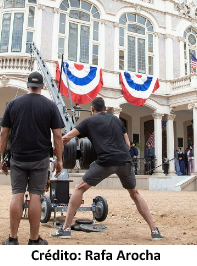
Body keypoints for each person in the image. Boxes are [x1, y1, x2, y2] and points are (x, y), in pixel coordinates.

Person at [51, 97, 163, 241]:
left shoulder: (88, 121)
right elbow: (128, 145)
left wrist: (56, 149)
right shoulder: (116, 120)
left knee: (79, 188)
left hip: (106, 161)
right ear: (105, 108)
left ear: (92, 109)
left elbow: (66, 138)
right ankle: (154, 231)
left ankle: (65, 229)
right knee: (135, 193)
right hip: (125, 161)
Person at [0, 72, 63, 246]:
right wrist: (59, 160)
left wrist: (2, 157)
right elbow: (58, 136)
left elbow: (3, 133)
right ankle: (34, 239)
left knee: (16, 195)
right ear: (42, 86)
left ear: (27, 86)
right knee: (36, 196)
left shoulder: (13, 104)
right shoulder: (50, 106)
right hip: (40, 158)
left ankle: (13, 238)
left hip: (18, 158)